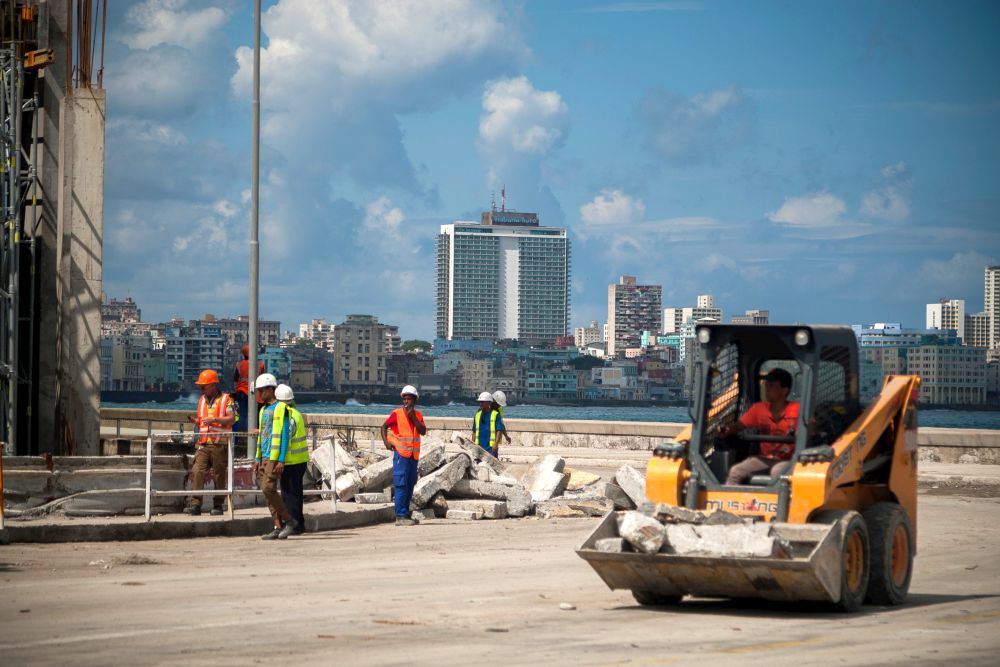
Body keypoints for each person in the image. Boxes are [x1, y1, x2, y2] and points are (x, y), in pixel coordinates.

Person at [719, 368, 800, 485]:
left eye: (771, 386)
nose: (766, 389)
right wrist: (726, 430)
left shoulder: (797, 410)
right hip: (765, 458)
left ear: (784, 390)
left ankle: (776, 503)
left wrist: (803, 432)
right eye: (766, 385)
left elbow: (811, 427)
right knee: (736, 471)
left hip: (789, 460)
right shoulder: (759, 409)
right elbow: (738, 426)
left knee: (778, 472)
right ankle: (731, 502)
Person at [184, 369, 237, 516]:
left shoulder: (227, 399)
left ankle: (218, 505)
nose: (201, 388)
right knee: (197, 471)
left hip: (220, 444)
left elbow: (232, 419)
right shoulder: (201, 400)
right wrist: (196, 421)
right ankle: (195, 504)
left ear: (213, 385)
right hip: (203, 443)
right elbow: (203, 421)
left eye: (204, 385)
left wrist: (214, 420)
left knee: (219, 475)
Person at [252, 373, 298, 540]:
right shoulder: (263, 410)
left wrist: (281, 459)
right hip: (263, 456)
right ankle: (277, 526)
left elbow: (284, 435)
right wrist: (257, 459)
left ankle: (289, 520)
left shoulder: (281, 408)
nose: (259, 394)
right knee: (267, 492)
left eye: (261, 390)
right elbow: (262, 436)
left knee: (268, 488)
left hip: (273, 456)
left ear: (270, 389)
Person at [380, 385, 427, 526]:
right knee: (401, 484)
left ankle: (406, 513)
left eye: (409, 399)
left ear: (414, 400)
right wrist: (386, 442)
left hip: (413, 456)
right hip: (401, 455)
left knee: (410, 483)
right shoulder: (397, 414)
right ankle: (400, 516)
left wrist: (413, 418)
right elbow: (383, 427)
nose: (406, 402)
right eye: (404, 399)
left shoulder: (418, 415)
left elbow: (423, 431)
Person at [275, 384, 310, 536]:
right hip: (300, 460)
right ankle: (299, 524)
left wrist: (280, 459)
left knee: (289, 495)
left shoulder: (287, 415)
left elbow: (286, 438)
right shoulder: (296, 412)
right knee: (296, 493)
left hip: (291, 461)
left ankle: (294, 524)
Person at [233, 344, 265, 442]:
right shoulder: (260, 364)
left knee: (242, 415)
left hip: (241, 392)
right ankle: (255, 438)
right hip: (255, 394)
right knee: (256, 415)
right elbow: (263, 379)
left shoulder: (239, 364)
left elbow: (235, 378)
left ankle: (239, 439)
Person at [472, 391, 506, 458]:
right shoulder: (478, 414)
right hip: (479, 446)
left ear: (489, 402)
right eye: (480, 402)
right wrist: (473, 444)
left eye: (483, 402)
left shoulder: (496, 414)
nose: (481, 404)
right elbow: (474, 431)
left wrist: (496, 443)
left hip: (491, 447)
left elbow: (500, 428)